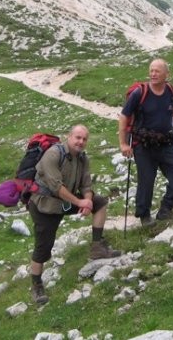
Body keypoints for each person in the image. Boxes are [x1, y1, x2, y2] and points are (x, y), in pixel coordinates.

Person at [28, 124, 121, 305]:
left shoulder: (82, 158)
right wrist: (79, 202)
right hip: (44, 205)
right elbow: (56, 186)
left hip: (64, 203)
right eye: (78, 137)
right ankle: (36, 285)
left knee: (99, 202)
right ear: (68, 137)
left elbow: (86, 185)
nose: (81, 142)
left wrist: (87, 201)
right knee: (43, 246)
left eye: (84, 139)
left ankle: (97, 247)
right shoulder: (53, 155)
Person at [118, 59, 173, 226]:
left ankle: (166, 209)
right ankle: (144, 215)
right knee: (146, 180)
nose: (153, 74)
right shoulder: (139, 93)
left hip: (166, 143)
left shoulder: (171, 91)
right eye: (151, 70)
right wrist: (123, 144)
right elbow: (124, 116)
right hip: (143, 145)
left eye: (157, 71)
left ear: (166, 74)